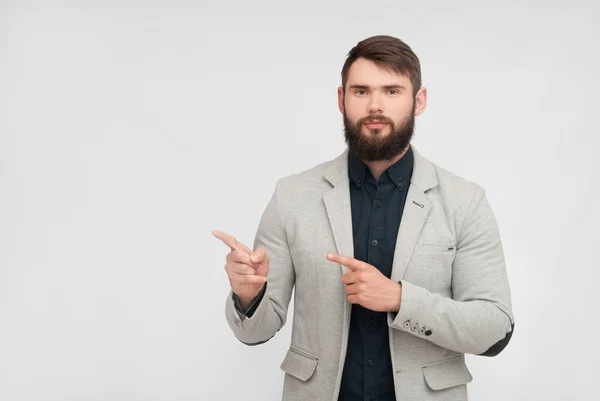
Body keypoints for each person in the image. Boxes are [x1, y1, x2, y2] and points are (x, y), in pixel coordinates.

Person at [213, 34, 515, 401]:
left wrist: (400, 299)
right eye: (361, 91)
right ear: (342, 99)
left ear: (418, 101)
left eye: (392, 91)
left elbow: (494, 330)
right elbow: (254, 332)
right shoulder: (291, 197)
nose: (375, 106)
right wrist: (249, 296)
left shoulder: (465, 201)